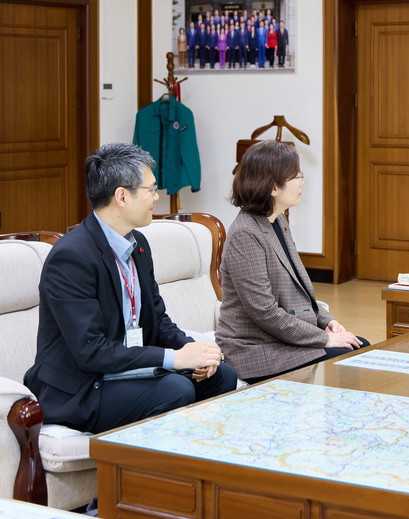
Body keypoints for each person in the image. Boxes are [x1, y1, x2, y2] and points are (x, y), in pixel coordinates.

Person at [24, 143, 237, 434]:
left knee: (221, 375)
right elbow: (91, 351)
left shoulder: (138, 245)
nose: (157, 197)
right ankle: (147, 463)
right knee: (175, 389)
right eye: (151, 189)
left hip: (125, 369)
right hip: (82, 386)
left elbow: (157, 319)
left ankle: (197, 455)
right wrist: (175, 359)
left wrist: (191, 350)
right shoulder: (72, 257)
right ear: (122, 196)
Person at [217, 141, 365, 384]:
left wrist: (328, 322)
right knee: (351, 355)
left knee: (359, 347)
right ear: (274, 187)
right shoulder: (245, 234)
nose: (301, 182)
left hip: (280, 341)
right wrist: (324, 339)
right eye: (296, 176)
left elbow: (299, 295)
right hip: (256, 350)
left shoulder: (277, 221)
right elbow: (264, 312)